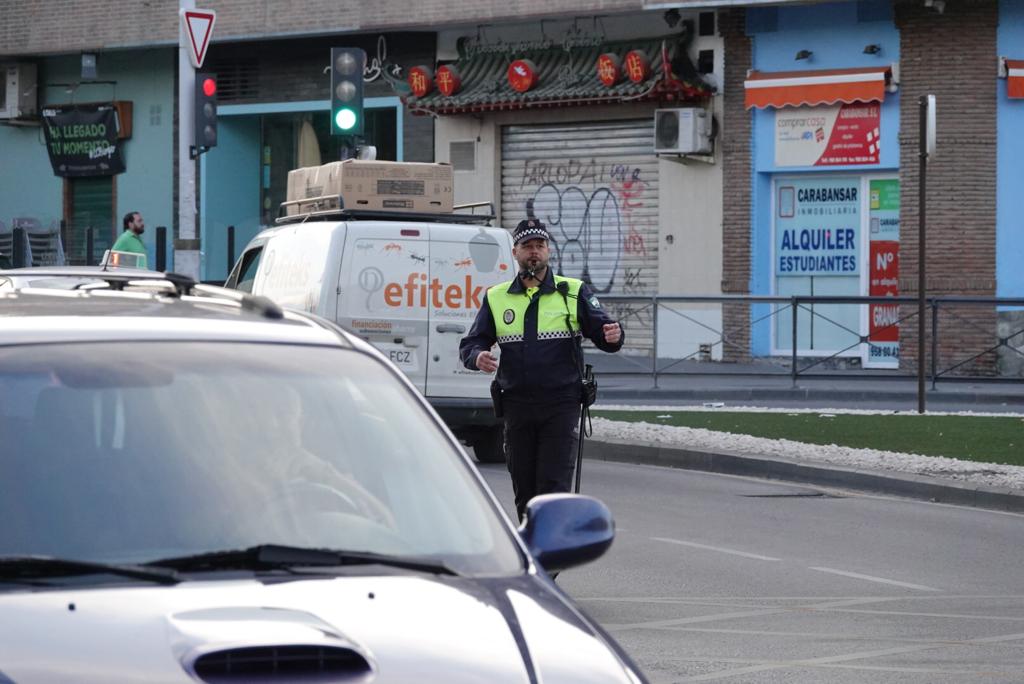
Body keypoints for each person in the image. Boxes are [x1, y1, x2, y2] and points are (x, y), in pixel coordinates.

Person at [460, 218, 623, 522]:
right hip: (517, 406)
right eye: (527, 247)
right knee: (525, 492)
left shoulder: (572, 292)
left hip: (560, 406)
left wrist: (613, 336)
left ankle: (549, 563)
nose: (534, 252)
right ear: (515, 252)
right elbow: (473, 341)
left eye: (540, 246)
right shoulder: (497, 297)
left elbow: (604, 330)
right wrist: (477, 356)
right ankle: (534, 557)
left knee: (553, 488)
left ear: (548, 250)